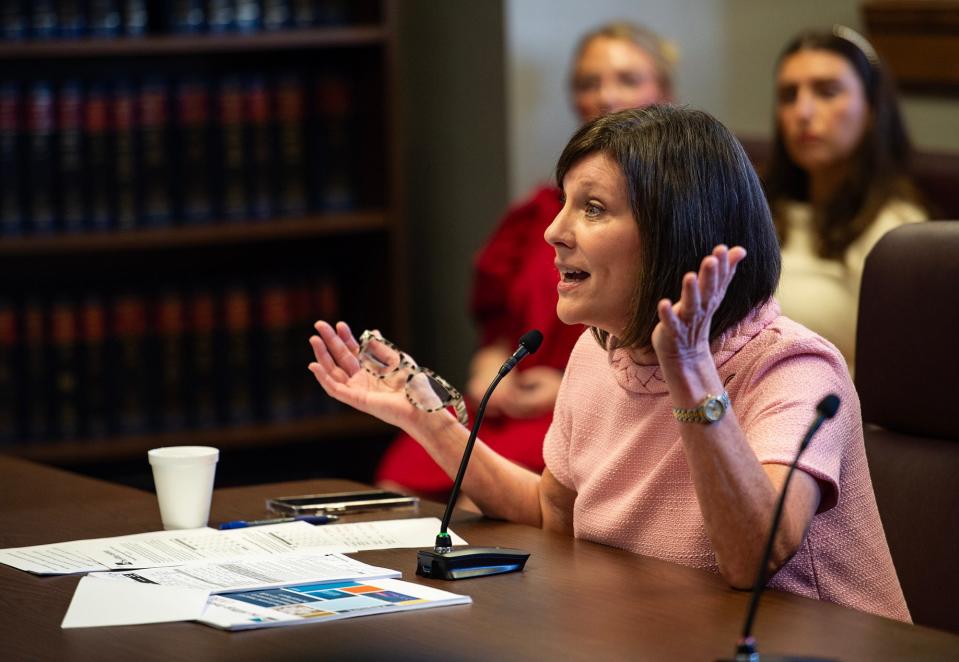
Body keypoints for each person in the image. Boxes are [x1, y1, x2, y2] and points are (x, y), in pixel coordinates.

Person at [309, 105, 909, 621]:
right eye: (565, 203)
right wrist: (426, 417)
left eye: (592, 208)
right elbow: (554, 513)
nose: (553, 231)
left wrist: (692, 371)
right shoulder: (603, 355)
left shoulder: (792, 368)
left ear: (676, 231)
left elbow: (753, 558)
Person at [375, 21, 678, 501]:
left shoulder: (677, 220)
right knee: (400, 475)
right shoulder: (535, 215)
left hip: (604, 404)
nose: (605, 96)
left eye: (627, 79)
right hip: (511, 402)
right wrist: (491, 371)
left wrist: (571, 386)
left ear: (663, 93)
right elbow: (497, 321)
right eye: (588, 82)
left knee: (482, 502)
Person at [765, 25, 928, 371]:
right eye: (789, 95)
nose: (803, 112)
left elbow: (898, 374)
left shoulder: (896, 231)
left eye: (827, 92)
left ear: (870, 110)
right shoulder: (756, 208)